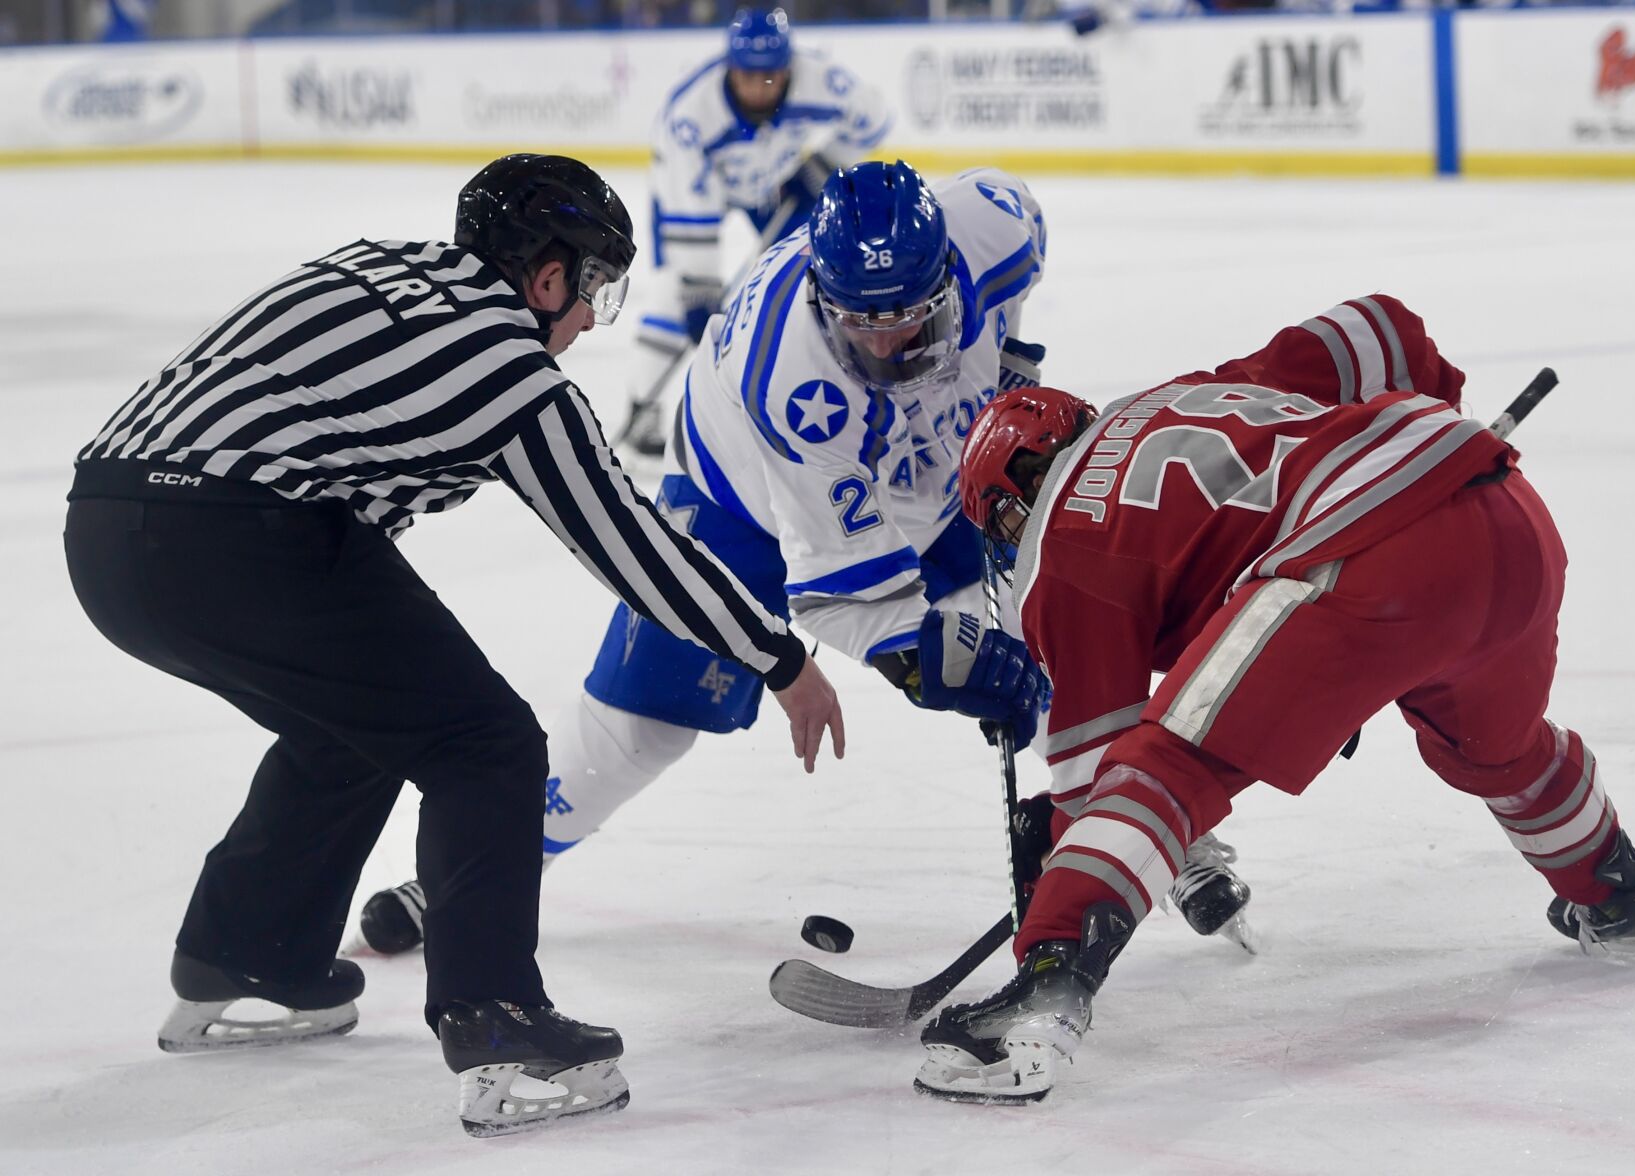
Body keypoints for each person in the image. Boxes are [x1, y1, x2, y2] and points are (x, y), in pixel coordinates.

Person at [62, 153, 845, 1138]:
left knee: (351, 727)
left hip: (104, 524)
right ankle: (497, 1024)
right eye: (592, 290)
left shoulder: (373, 264)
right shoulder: (511, 371)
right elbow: (632, 547)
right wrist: (778, 657)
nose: (586, 322)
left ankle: (248, 951)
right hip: (242, 532)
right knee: (485, 745)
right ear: (548, 276)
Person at [358, 159, 1254, 961]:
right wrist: (942, 661)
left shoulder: (995, 220)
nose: (886, 345)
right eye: (860, 324)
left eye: (907, 318)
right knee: (641, 728)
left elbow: (1011, 306)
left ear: (946, 270)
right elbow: (840, 599)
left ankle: (1152, 827)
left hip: (936, 467)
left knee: (1065, 623)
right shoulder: (795, 385)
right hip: (741, 500)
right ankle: (472, 874)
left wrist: (1010, 369)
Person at [916, 294, 1635, 1104]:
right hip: (1499, 507)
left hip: (1357, 559)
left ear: (1013, 503)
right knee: (1495, 748)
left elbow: (1105, 775)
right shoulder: (1176, 395)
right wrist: (1433, 419)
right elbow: (1376, 329)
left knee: (1167, 767)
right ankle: (1630, 901)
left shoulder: (1061, 540)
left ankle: (1041, 999)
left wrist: (1058, 852)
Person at [620, 5, 893, 456]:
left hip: (774, 185)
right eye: (749, 75)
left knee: (808, 275)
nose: (761, 87)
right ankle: (641, 403)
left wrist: (824, 164)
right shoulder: (690, 118)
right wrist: (699, 289)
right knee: (674, 292)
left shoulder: (821, 80)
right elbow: (693, 213)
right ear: (731, 67)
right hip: (693, 191)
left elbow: (874, 118)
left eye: (772, 76)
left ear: (789, 68)